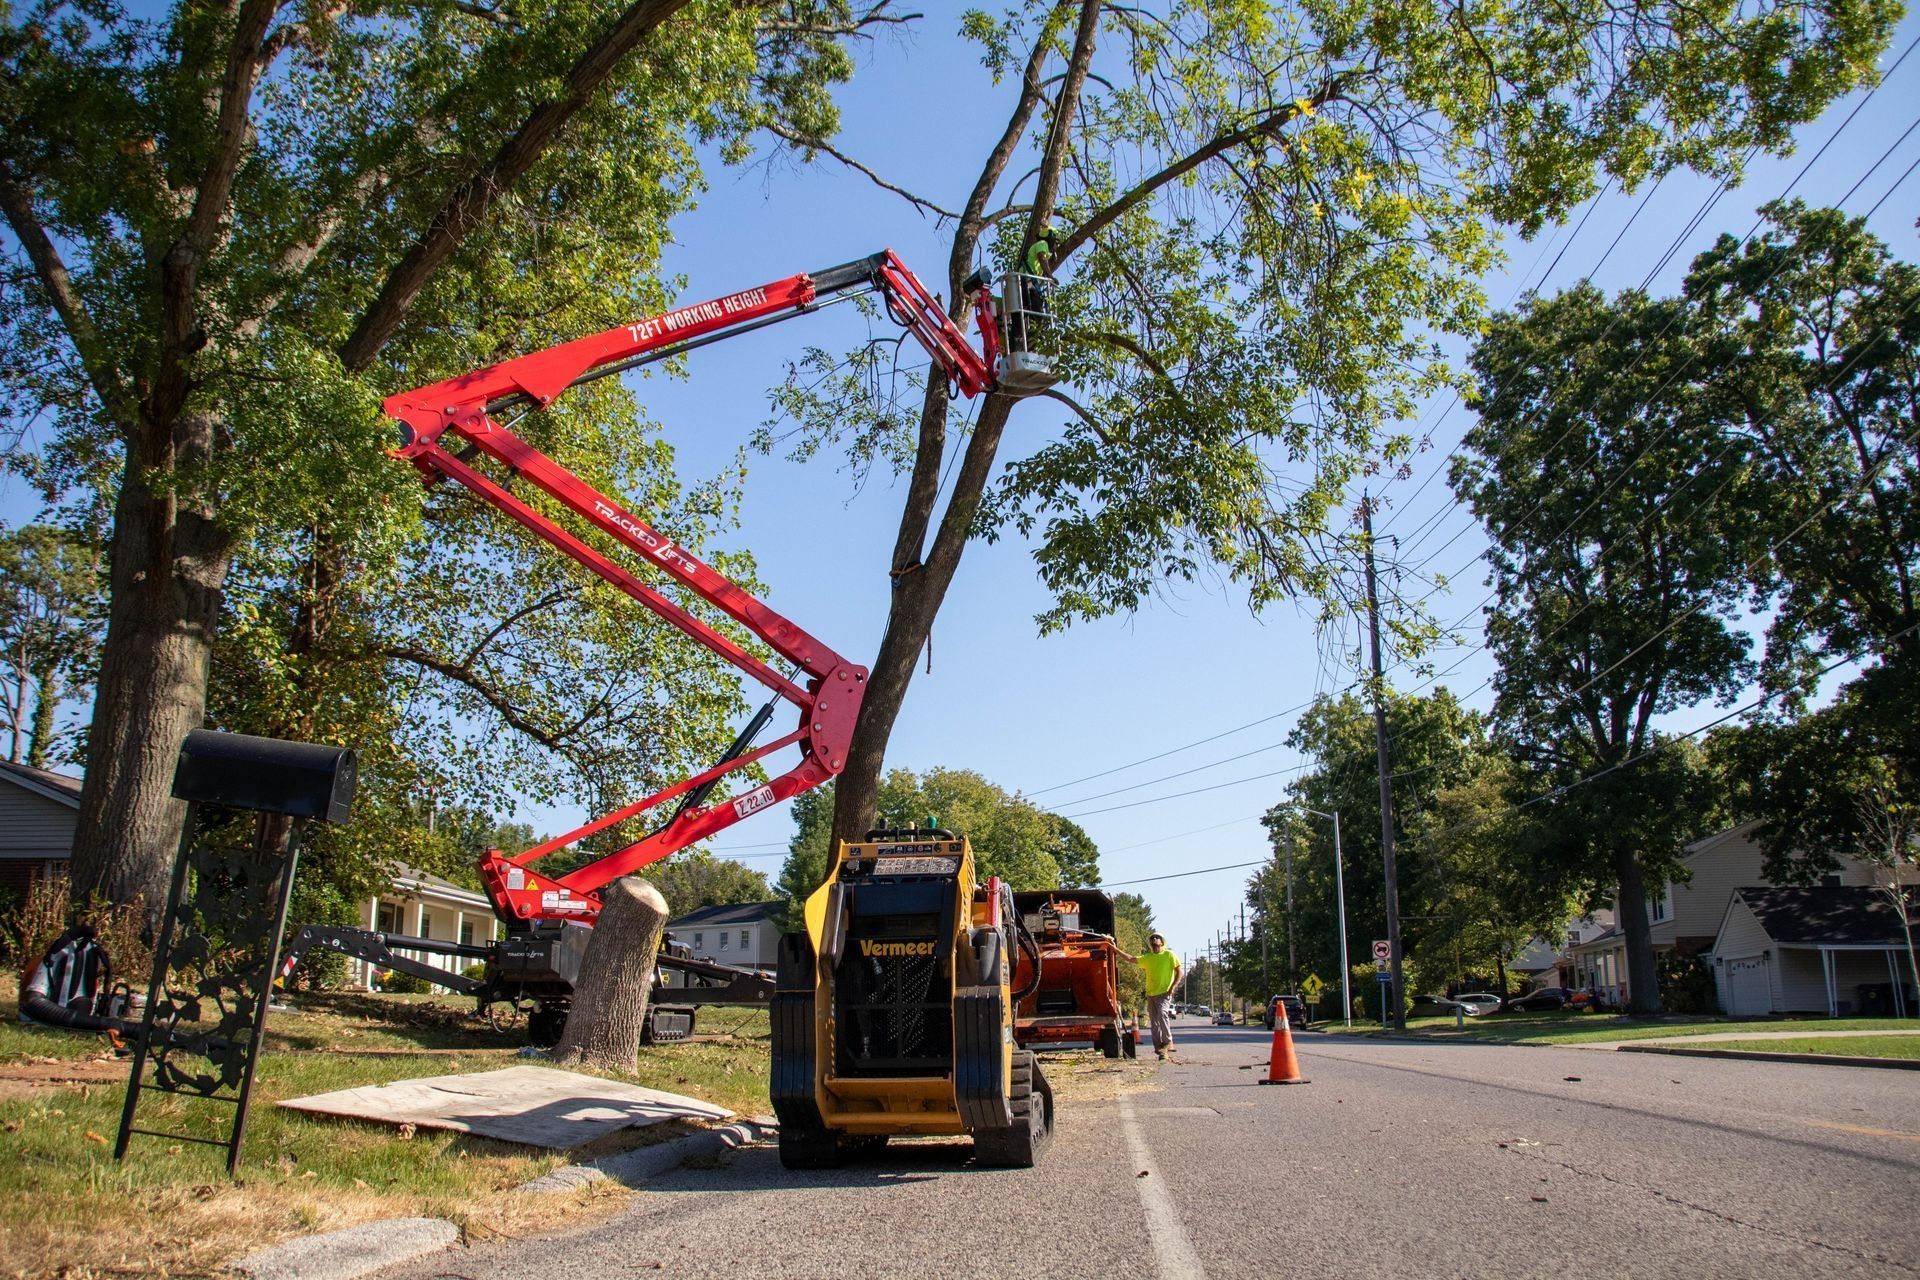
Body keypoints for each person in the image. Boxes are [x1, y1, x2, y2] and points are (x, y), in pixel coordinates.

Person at [1117, 933, 1182, 1059]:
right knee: (1154, 1022)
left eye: (1157, 938)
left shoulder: (1169, 955)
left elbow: (1179, 971)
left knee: (1162, 1013)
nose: (1154, 939)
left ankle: (1167, 1041)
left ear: (1162, 942)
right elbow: (1131, 959)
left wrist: (1173, 987)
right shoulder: (1148, 957)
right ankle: (1160, 1049)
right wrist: (1114, 948)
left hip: (1164, 993)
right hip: (1151, 994)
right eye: (1152, 938)